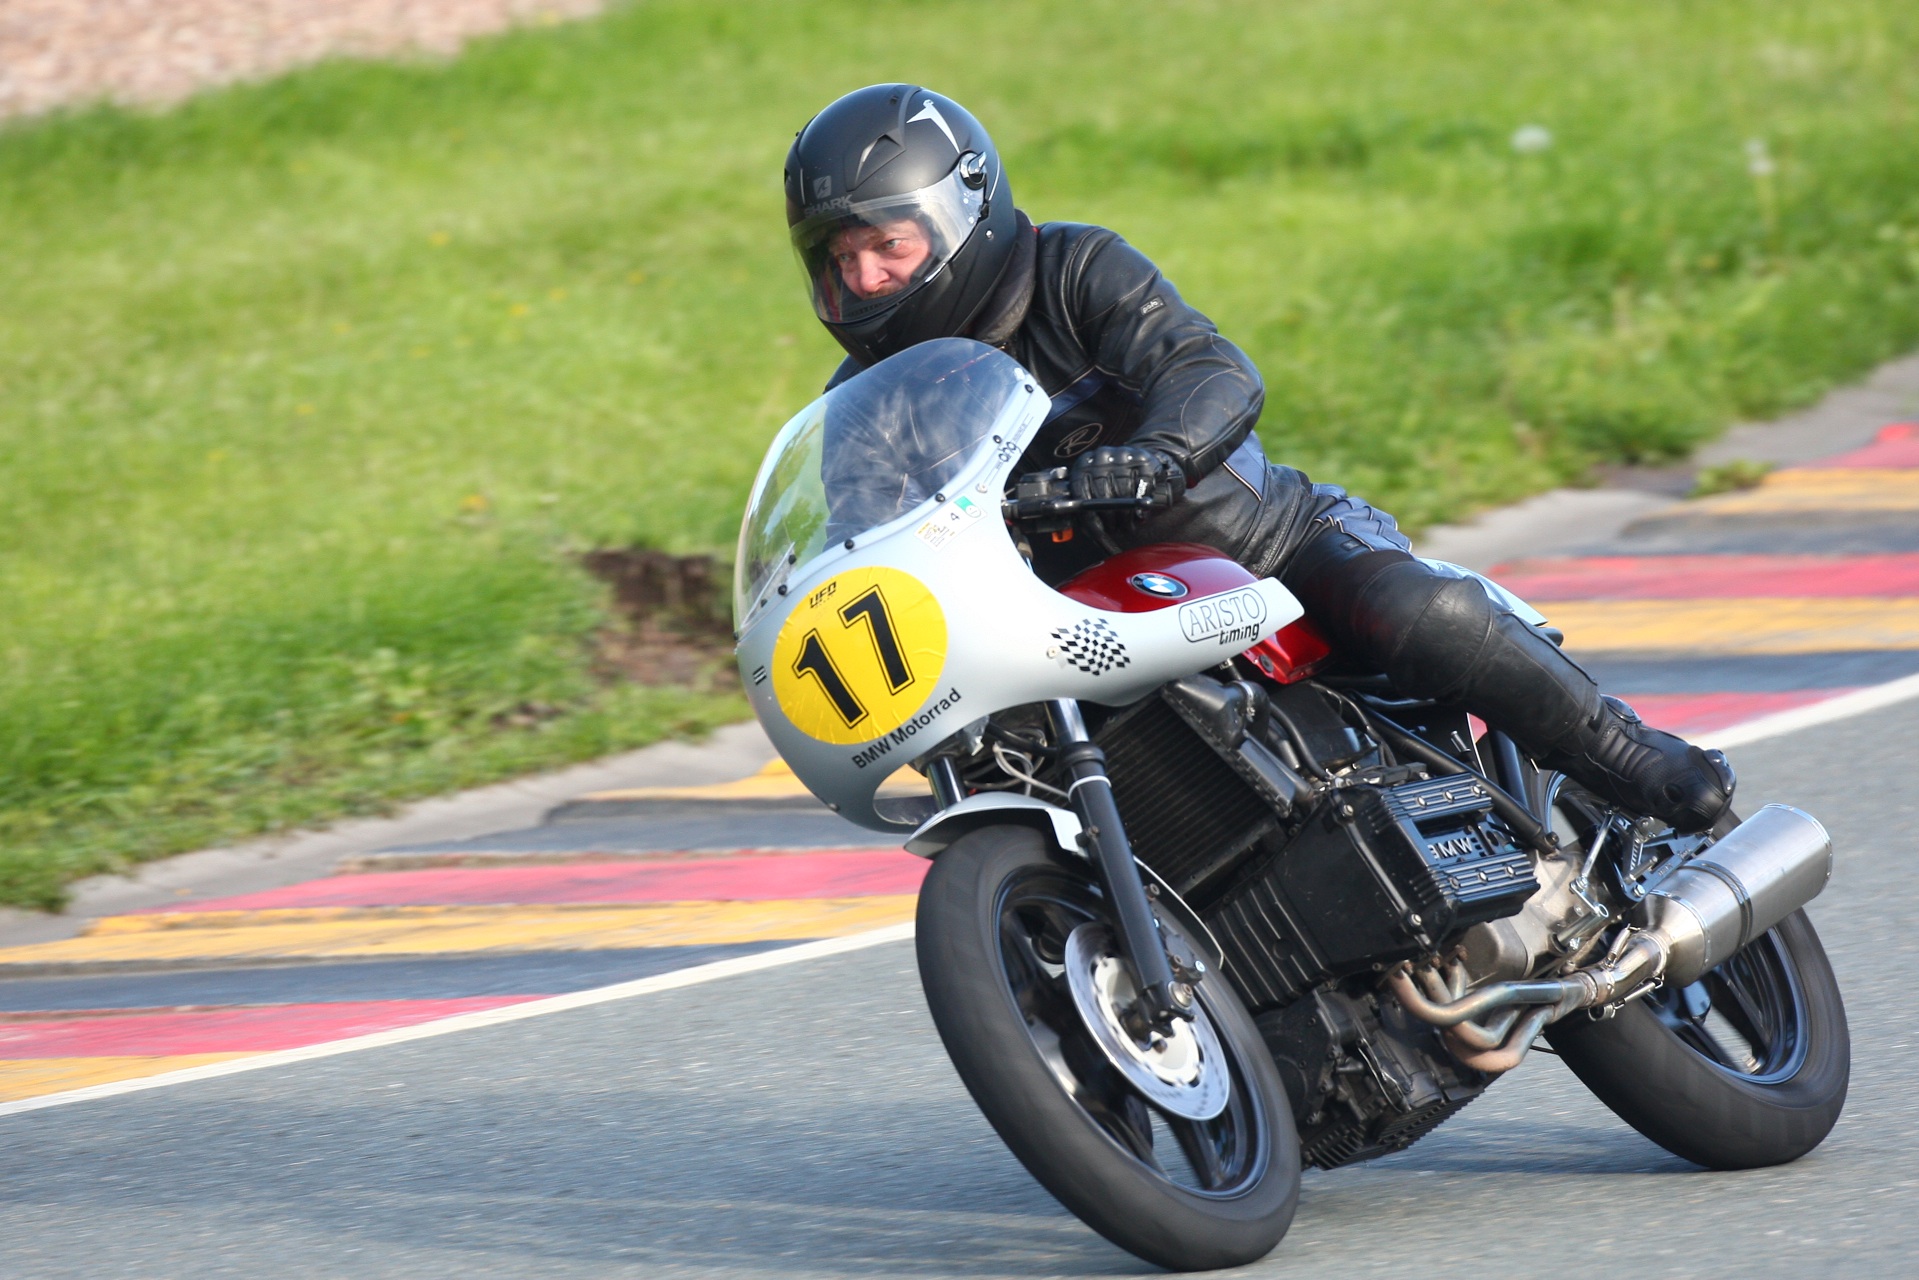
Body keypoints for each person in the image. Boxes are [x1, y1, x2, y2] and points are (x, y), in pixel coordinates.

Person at [783, 85, 1735, 833]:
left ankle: (1632, 754)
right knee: (1010, 774)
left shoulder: (1072, 268)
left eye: (887, 245)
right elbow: (872, 546)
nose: (862, 278)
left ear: (961, 213)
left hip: (1266, 552)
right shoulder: (863, 410)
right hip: (1077, 639)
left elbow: (1206, 367)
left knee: (1413, 612)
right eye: (838, 256)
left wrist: (1157, 452)